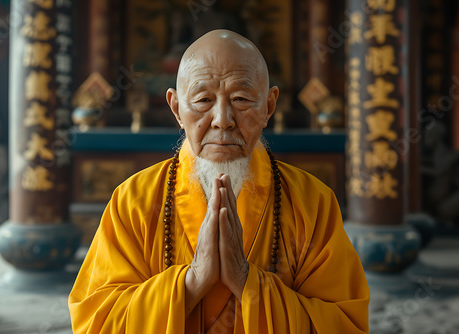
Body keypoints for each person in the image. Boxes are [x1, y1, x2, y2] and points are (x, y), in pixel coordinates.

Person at [68, 29, 370, 333]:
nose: (222, 119)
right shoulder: (134, 200)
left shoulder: (313, 202)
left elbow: (344, 323)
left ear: (268, 106)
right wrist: (192, 281)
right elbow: (97, 321)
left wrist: (244, 279)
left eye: (240, 98)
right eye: (202, 100)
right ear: (176, 108)